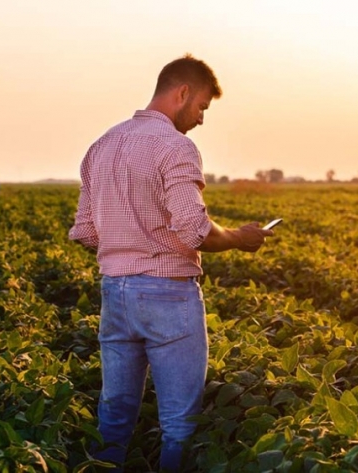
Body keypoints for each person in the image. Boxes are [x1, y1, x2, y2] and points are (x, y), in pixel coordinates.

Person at [68, 54, 273, 471]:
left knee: (114, 416)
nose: (200, 119)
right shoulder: (175, 147)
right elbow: (194, 229)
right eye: (201, 107)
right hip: (168, 295)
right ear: (182, 93)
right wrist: (238, 238)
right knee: (180, 423)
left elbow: (87, 232)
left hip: (115, 292)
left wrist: (129, 243)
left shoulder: (102, 145)